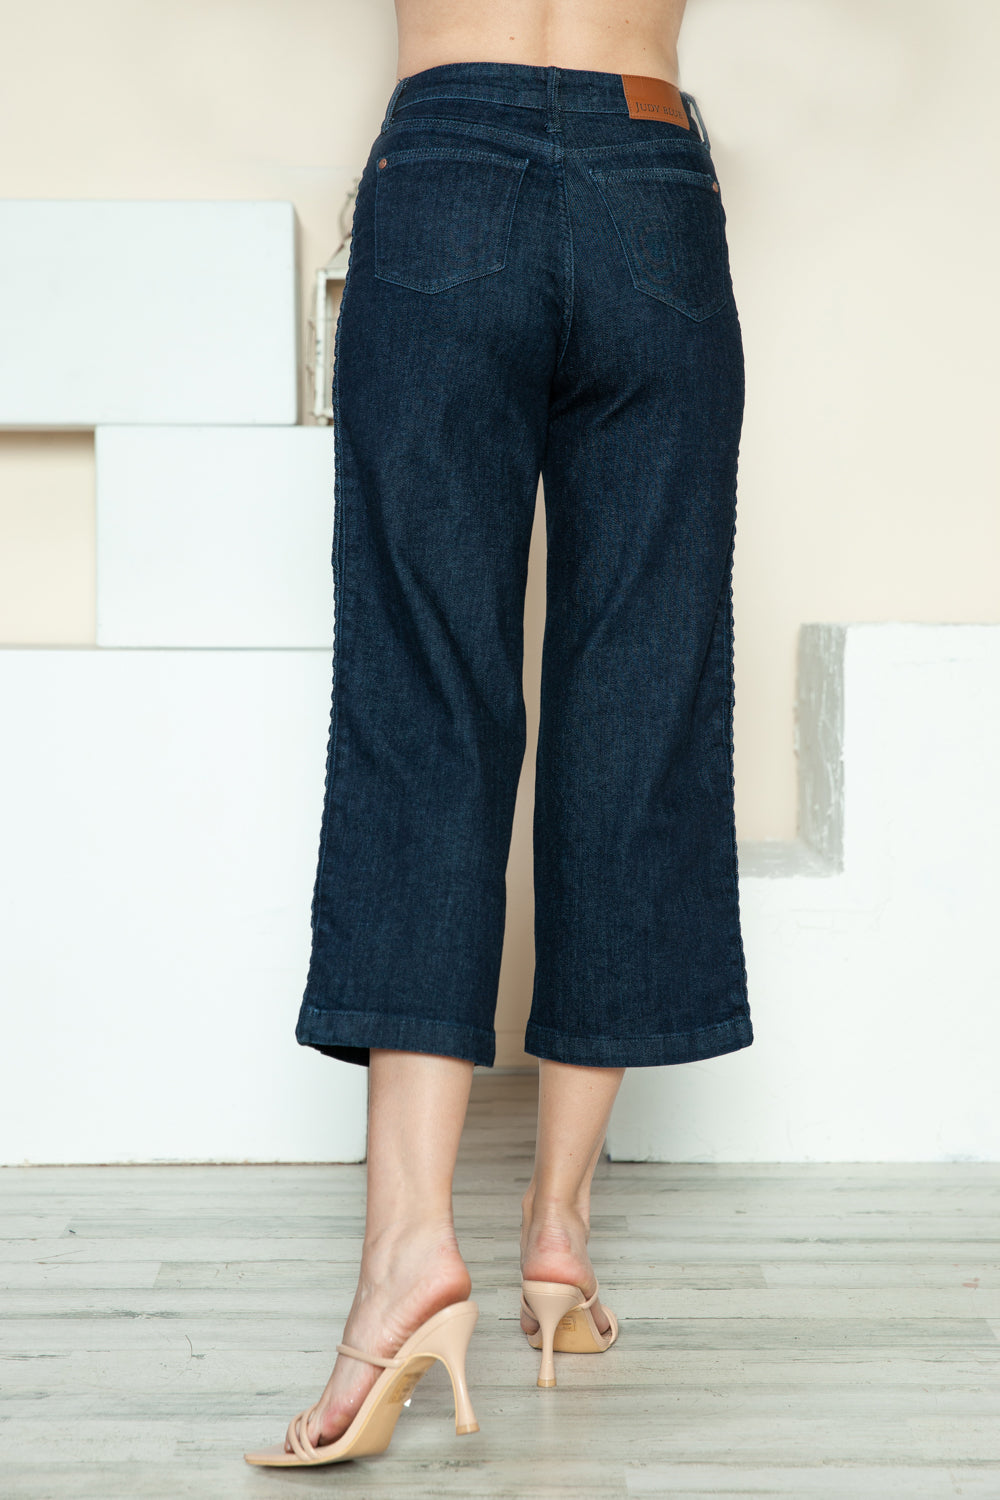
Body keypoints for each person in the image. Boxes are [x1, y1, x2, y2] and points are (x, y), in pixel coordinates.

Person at [244, 0, 753, 1468]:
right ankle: (558, 1238)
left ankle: (408, 1253)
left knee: (424, 703)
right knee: (637, 697)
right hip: (652, 175)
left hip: (447, 162)